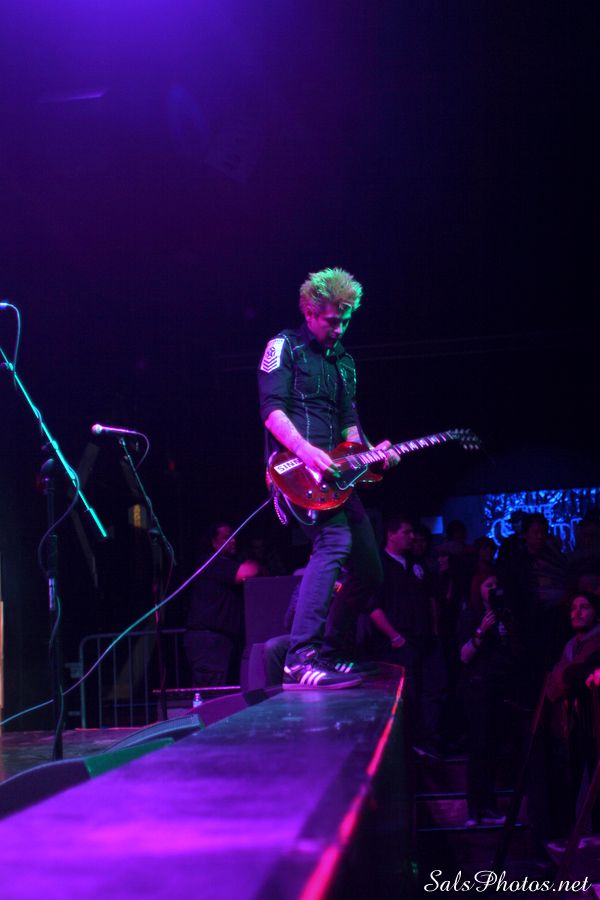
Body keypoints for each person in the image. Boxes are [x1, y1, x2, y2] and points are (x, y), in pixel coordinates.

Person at [257, 267, 399, 689]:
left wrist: (371, 453)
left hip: (337, 477)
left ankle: (332, 652)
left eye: (346, 321)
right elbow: (272, 411)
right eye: (332, 321)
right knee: (334, 542)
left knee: (370, 570)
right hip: (295, 470)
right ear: (309, 312)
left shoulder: (344, 363)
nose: (339, 330)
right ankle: (300, 658)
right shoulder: (284, 347)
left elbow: (348, 423)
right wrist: (307, 451)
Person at [369, 516, 447, 757]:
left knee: (432, 691)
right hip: (398, 645)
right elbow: (372, 607)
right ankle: (406, 747)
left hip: (425, 640)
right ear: (391, 535)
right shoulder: (379, 565)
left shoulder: (416, 563)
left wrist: (434, 629)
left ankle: (427, 744)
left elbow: (430, 598)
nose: (412, 537)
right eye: (406, 532)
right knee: (407, 695)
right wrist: (394, 636)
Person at [458, 573, 524, 827]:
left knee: (494, 747)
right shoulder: (471, 615)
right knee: (479, 747)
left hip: (500, 687)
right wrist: (481, 631)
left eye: (497, 585)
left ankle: (489, 805)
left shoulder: (505, 615)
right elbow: (464, 656)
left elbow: (515, 650)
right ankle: (474, 809)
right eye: (489, 585)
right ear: (479, 588)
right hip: (478, 688)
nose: (494, 589)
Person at [184, 523, 262, 686]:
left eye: (233, 536)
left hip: (218, 640)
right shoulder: (212, 562)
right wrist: (256, 560)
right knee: (212, 690)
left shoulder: (222, 563)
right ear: (213, 542)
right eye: (227, 537)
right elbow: (247, 572)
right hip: (209, 641)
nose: (233, 540)